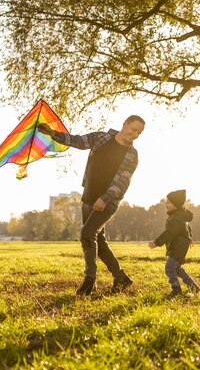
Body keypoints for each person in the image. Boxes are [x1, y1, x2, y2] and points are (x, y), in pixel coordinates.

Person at [37, 115, 145, 295]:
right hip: (88, 198)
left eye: (139, 133)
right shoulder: (100, 138)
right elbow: (78, 141)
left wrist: (105, 198)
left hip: (108, 202)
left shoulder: (132, 155)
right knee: (99, 243)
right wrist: (52, 133)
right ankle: (121, 278)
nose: (135, 134)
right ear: (124, 124)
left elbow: (122, 183)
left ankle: (90, 280)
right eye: (133, 129)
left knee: (87, 235)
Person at [148, 189, 200, 298]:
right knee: (177, 269)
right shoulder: (179, 215)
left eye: (169, 202)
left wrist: (157, 242)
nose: (166, 204)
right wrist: (189, 237)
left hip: (178, 247)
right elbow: (187, 227)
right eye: (166, 202)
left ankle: (176, 289)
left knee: (169, 268)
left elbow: (170, 233)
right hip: (179, 246)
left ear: (176, 204)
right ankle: (193, 286)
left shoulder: (176, 218)